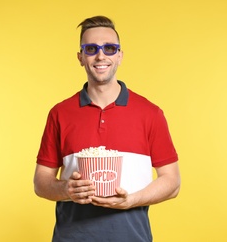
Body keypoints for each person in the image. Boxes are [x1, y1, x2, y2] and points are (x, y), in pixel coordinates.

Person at [34, 15, 180, 242]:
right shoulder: (60, 113)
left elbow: (172, 182)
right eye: (91, 48)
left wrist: (132, 199)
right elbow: (41, 182)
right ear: (80, 57)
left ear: (120, 56)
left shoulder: (150, 113)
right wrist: (67, 191)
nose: (101, 55)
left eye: (110, 48)